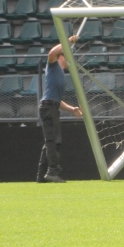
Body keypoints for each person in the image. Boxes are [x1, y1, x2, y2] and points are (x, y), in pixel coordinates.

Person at [37, 34, 82, 183]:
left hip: (52, 106)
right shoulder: (53, 64)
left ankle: (42, 175)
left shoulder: (61, 74)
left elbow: (58, 101)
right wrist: (68, 41)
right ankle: (53, 171)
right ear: (61, 56)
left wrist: (72, 109)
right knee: (54, 141)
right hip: (48, 107)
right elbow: (51, 53)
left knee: (50, 141)